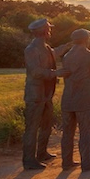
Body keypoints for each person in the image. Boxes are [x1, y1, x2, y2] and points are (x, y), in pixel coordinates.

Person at [22, 18, 67, 170]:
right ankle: (29, 160)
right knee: (32, 127)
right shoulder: (31, 49)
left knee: (46, 125)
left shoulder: (45, 47)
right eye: (49, 29)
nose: (51, 31)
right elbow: (35, 72)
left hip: (46, 94)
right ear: (44, 31)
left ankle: (42, 153)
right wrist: (56, 73)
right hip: (35, 95)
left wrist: (68, 46)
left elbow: (54, 54)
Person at [60, 28, 90, 171]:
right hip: (83, 98)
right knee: (85, 131)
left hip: (67, 98)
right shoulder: (89, 55)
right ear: (86, 39)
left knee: (67, 132)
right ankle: (86, 161)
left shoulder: (67, 56)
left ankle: (66, 161)